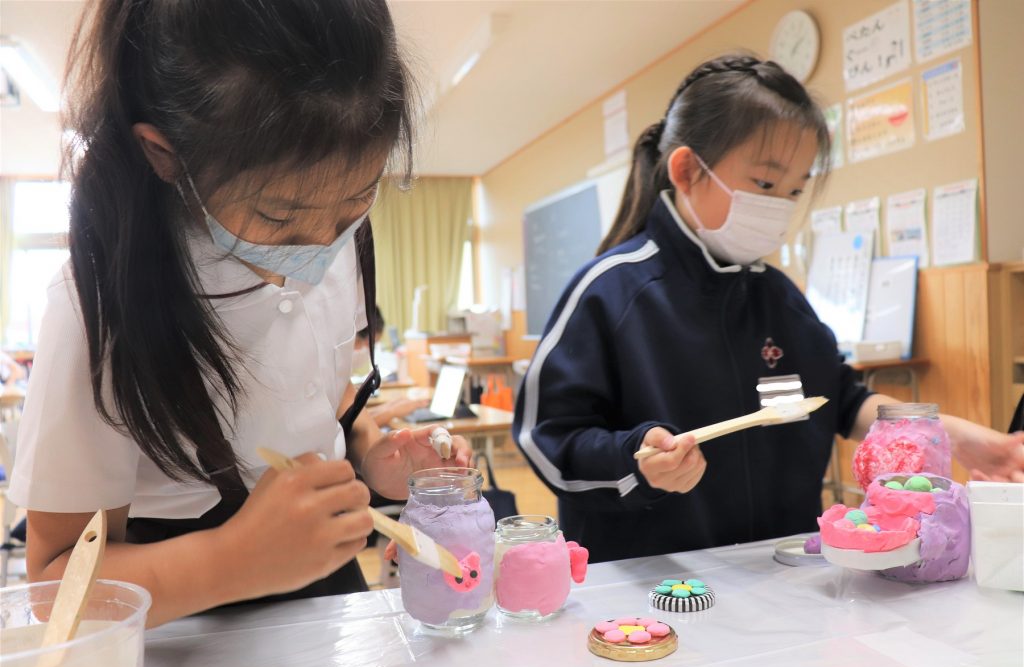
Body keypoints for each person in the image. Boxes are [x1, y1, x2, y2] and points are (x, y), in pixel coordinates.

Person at [9, 0, 470, 628]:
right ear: (163, 153)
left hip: (328, 593)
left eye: (356, 202)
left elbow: (310, 399)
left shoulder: (338, 239)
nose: (318, 247)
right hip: (172, 616)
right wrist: (234, 560)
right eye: (279, 219)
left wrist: (366, 451)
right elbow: (55, 580)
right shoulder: (97, 311)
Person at [513, 54, 1024, 563]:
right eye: (764, 184)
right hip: (654, 586)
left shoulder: (777, 295)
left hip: (783, 570)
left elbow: (838, 400)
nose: (781, 205)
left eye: (795, 189)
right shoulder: (611, 291)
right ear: (688, 170)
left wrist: (957, 438)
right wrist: (637, 462)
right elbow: (548, 437)